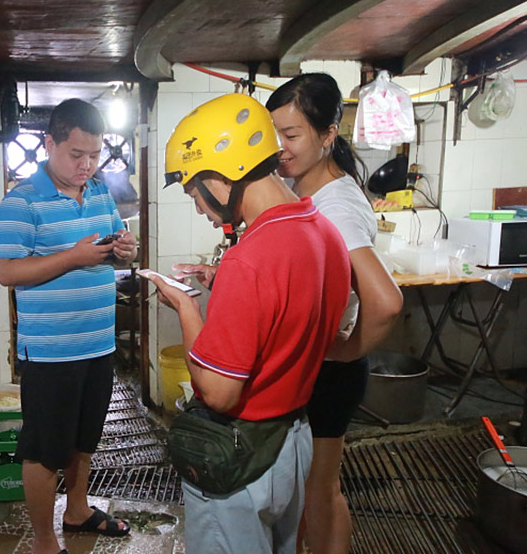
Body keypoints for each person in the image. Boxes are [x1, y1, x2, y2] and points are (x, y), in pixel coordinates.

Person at [152, 93, 351, 553]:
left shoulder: (251, 258)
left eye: (193, 192)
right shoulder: (323, 231)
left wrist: (187, 310)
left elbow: (220, 394)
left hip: (242, 453)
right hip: (293, 440)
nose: (200, 208)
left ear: (222, 178)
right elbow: (297, 325)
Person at [265, 73, 403, 554]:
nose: (279, 147)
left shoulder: (336, 205)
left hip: (329, 374)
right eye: (273, 134)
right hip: (316, 367)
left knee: (319, 493)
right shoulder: (309, 192)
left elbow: (385, 302)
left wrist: (344, 351)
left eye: (292, 134)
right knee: (310, 492)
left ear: (327, 136)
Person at [0, 98, 137, 554]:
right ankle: (42, 541)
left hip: (97, 342)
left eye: (95, 155)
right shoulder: (21, 201)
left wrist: (125, 249)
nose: (87, 165)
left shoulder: (98, 192)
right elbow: (8, 273)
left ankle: (77, 510)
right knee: (44, 449)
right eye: (77, 155)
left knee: (84, 439)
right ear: (50, 144)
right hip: (52, 352)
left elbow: (114, 238)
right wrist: (72, 256)